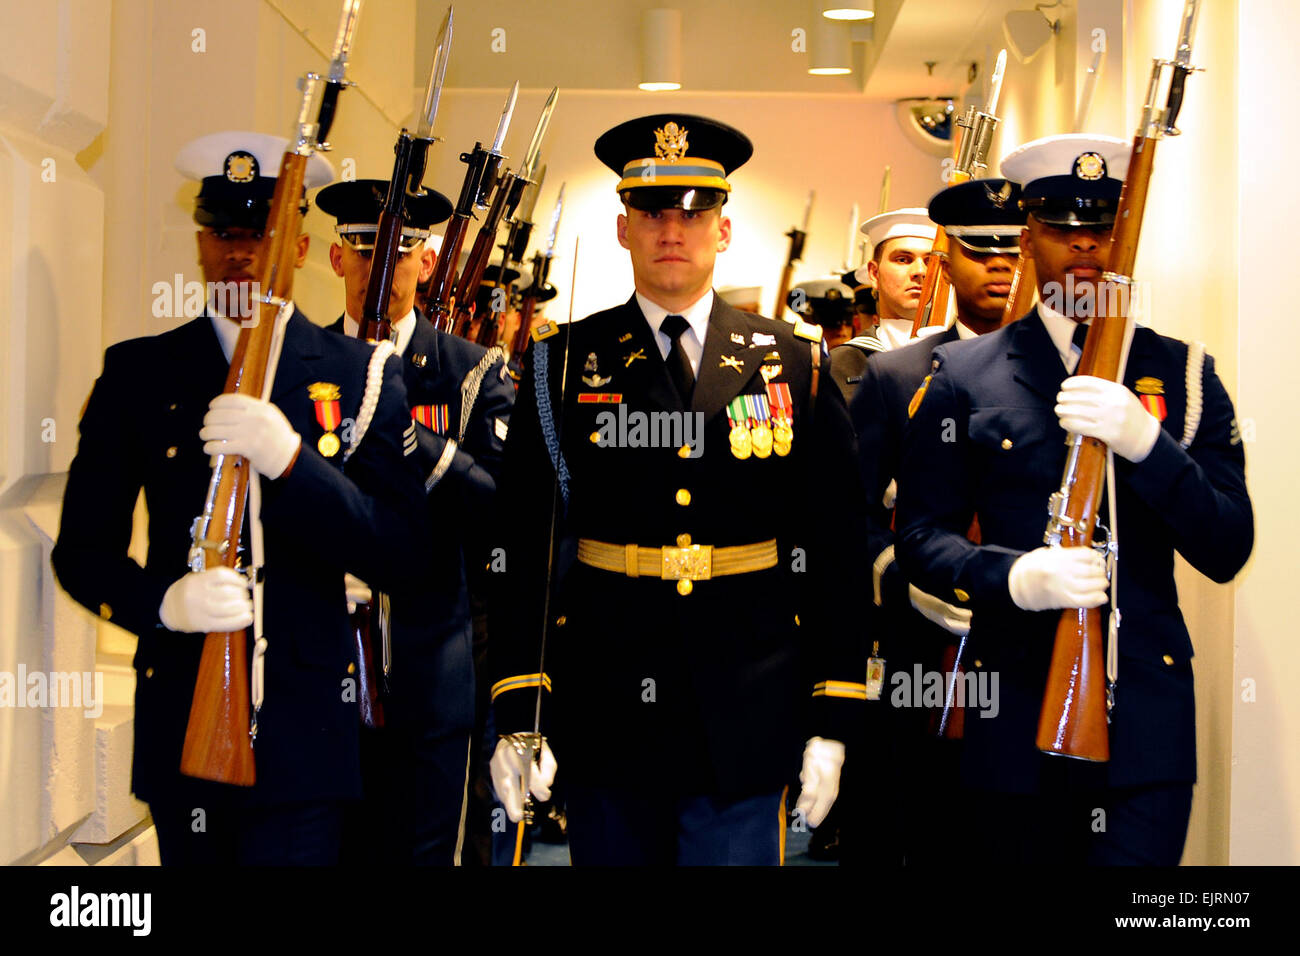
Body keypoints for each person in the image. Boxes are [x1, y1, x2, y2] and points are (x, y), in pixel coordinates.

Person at [487, 114, 868, 865]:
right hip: (607, 702)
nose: (673, 230)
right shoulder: (563, 365)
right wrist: (521, 708)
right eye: (653, 212)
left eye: (694, 214)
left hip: (749, 703)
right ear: (623, 228)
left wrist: (834, 716)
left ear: (723, 231)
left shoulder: (794, 362)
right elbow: (524, 543)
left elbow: (835, 549)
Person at [50, 131, 429, 865]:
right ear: (198, 241)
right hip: (183, 720)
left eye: (260, 234)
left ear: (295, 246)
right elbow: (83, 551)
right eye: (223, 232)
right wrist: (161, 606)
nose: (241, 255)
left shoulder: (360, 375)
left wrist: (294, 463)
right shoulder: (140, 374)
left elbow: (402, 551)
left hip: (306, 738)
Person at [895, 134, 1254, 864]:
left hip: (1147, 734)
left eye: (1103, 227)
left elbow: (1227, 546)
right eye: (1062, 227)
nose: (1085, 245)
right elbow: (921, 538)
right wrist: (1014, 578)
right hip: (1015, 718)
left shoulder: (1182, 376)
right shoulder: (965, 374)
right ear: (1029, 238)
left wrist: (1150, 449)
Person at [315, 178, 515, 865]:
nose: (380, 268)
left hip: (430, 668)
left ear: (427, 263)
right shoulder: (299, 363)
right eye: (363, 249)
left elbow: (501, 502)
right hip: (317, 669)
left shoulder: (469, 373)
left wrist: (415, 441)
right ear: (338, 260)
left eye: (398, 251)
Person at [841, 177, 1025, 866]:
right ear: (951, 264)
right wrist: (899, 578)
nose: (1001, 267)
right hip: (921, 643)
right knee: (910, 823)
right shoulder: (895, 375)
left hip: (1030, 644)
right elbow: (849, 513)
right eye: (982, 250)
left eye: (1014, 250)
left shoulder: (1069, 374)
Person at [829, 208, 938, 401]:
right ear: (874, 274)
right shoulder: (840, 363)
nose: (920, 271)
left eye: (930, 261)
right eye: (903, 259)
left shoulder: (960, 357)